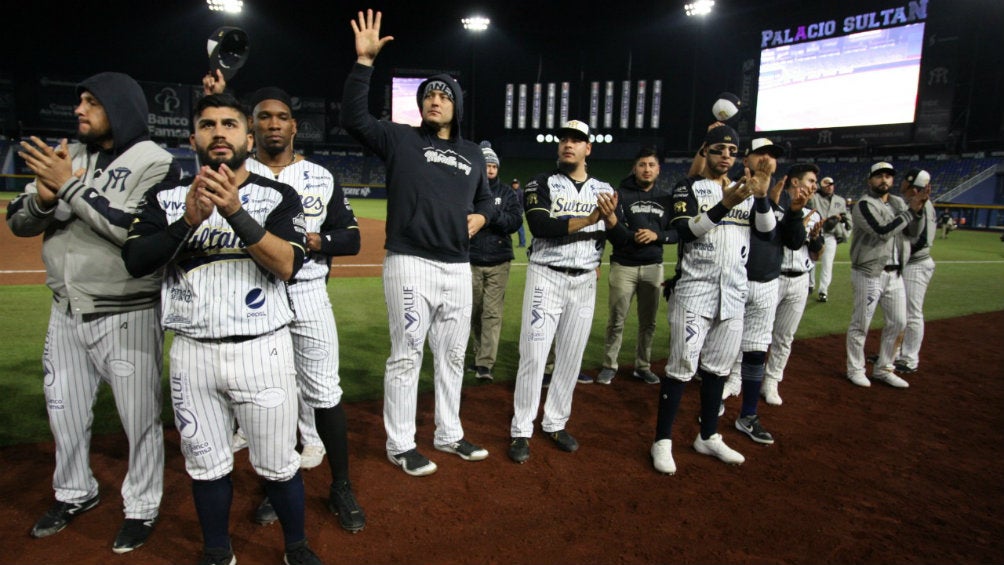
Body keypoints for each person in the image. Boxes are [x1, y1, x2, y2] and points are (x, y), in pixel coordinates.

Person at [122, 93, 324, 565]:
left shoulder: (277, 196)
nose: (219, 132)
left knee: (278, 465)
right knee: (206, 465)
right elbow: (135, 261)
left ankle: (295, 547)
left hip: (263, 350)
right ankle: (218, 552)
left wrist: (234, 211)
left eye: (230, 124)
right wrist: (187, 224)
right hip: (192, 352)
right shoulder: (165, 199)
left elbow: (289, 264)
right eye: (208, 124)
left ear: (248, 138)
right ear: (192, 138)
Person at [8, 72, 175, 554]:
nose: (79, 109)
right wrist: (43, 195)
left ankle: (142, 505)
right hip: (65, 310)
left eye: (91, 102)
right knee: (63, 412)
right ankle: (74, 491)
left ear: (120, 107)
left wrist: (68, 190)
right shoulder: (71, 156)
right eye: (79, 100)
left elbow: (134, 231)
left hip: (127, 313)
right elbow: (18, 220)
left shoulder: (157, 163)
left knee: (139, 419)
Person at [342, 9, 494, 476]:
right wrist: (364, 64)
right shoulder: (399, 138)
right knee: (407, 353)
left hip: (456, 266)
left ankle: (449, 434)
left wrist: (481, 216)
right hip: (410, 262)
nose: (434, 99)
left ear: (457, 107)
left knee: (452, 354)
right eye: (428, 94)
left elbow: (486, 202)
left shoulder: (471, 154)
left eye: (443, 95)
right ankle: (400, 443)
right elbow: (355, 118)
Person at [241, 85, 366, 532]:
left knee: (325, 393)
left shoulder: (320, 176)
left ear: (294, 126)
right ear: (251, 127)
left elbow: (350, 238)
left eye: (281, 117)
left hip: (309, 293)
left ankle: (341, 486)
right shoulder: (238, 173)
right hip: (256, 295)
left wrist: (316, 241)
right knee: (271, 397)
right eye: (263, 117)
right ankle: (279, 486)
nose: (273, 124)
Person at [650, 125, 768, 474]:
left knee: (717, 368)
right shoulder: (688, 187)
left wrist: (759, 196)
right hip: (695, 290)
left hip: (733, 292)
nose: (726, 156)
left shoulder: (746, 189)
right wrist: (725, 204)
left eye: (732, 150)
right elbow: (685, 229)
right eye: (718, 149)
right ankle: (663, 440)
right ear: (706, 152)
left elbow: (766, 231)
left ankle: (708, 436)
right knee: (682, 366)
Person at [507, 119, 626, 464]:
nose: (568, 145)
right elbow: (541, 226)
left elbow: (620, 238)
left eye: (576, 140)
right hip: (547, 276)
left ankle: (556, 422)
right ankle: (521, 429)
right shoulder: (540, 183)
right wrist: (591, 221)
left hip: (585, 280)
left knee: (571, 357)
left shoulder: (604, 188)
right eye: (564, 140)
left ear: (588, 148)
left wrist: (612, 221)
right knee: (534, 354)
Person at [718, 143, 809, 447]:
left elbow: (792, 242)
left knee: (757, 351)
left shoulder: (780, 203)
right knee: (721, 349)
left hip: (769, 284)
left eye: (773, 155)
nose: (768, 159)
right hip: (735, 281)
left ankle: (748, 415)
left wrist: (794, 212)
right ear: (747, 159)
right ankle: (713, 401)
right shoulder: (729, 192)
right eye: (762, 153)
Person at [597, 147, 678, 386]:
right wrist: (634, 237)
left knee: (649, 322)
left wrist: (657, 236)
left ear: (658, 169)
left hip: (654, 266)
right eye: (642, 165)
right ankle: (609, 365)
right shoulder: (620, 195)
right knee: (616, 319)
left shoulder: (666, 198)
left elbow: (677, 233)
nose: (647, 169)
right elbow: (613, 231)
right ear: (635, 168)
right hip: (624, 265)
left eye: (651, 165)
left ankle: (643, 366)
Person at [845, 161, 928, 389]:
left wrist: (918, 212)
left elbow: (913, 233)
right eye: (879, 176)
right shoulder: (863, 204)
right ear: (870, 180)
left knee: (899, 322)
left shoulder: (898, 202)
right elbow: (882, 231)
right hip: (868, 272)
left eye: (889, 176)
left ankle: (884, 367)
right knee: (861, 323)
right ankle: (855, 368)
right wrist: (911, 211)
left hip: (895, 272)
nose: (884, 180)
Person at [760, 164, 824, 407]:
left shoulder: (814, 215)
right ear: (795, 183)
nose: (814, 186)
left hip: (800, 279)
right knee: (757, 333)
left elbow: (818, 254)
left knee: (784, 336)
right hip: (773, 277)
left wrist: (816, 240)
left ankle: (772, 381)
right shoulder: (774, 208)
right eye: (810, 180)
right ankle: (738, 377)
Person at [469, 142, 524, 382]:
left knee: (492, 313)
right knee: (474, 312)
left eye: (493, 165)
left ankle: (485, 363)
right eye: (486, 165)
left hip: (499, 259)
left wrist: (490, 216)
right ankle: (478, 354)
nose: (490, 169)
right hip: (471, 258)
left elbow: (515, 221)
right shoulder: (468, 190)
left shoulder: (507, 193)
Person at [894, 169, 937, 374]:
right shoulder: (916, 202)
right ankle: (893, 354)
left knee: (912, 313)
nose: (899, 183)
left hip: (916, 265)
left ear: (910, 184)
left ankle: (909, 359)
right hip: (911, 264)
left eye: (903, 179)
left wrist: (900, 255)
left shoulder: (922, 204)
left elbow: (921, 240)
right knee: (900, 313)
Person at [808, 176, 850, 302]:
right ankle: (810, 284)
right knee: (811, 260)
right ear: (822, 186)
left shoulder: (840, 200)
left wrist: (845, 224)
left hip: (830, 235)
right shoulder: (815, 197)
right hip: (816, 233)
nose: (830, 186)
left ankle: (823, 291)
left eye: (831, 184)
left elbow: (845, 216)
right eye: (827, 185)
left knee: (827, 264)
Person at [511, 178, 527, 247]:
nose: (515, 185)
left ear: (518, 184)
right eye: (514, 184)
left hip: (518, 212)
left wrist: (521, 212)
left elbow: (523, 203)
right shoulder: (510, 191)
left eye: (516, 183)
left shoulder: (521, 192)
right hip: (511, 212)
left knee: (520, 229)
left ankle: (522, 243)